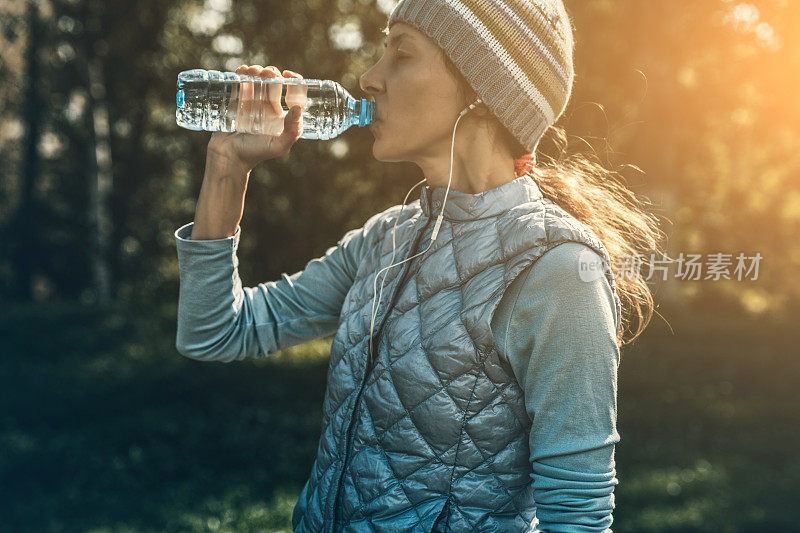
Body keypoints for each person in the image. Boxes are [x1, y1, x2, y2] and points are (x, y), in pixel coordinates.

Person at [174, 1, 663, 531]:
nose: (368, 79)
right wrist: (228, 168)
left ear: (482, 89)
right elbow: (214, 332)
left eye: (401, 53)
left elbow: (578, 515)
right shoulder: (386, 238)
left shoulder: (557, 269)